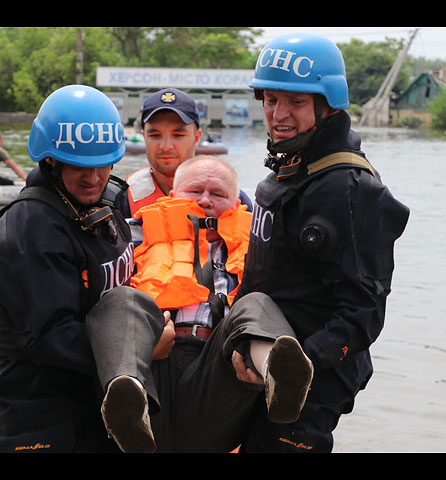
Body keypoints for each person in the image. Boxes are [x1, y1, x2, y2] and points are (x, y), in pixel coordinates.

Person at [229, 33, 410, 453]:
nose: (279, 114)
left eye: (295, 102)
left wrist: (301, 365)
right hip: (266, 358)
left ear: (326, 105)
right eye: (271, 100)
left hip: (316, 375)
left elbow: (364, 310)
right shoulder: (290, 170)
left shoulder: (347, 188)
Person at [85, 155, 314, 453]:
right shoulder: (128, 233)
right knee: (122, 299)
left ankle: (277, 375)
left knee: (256, 303)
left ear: (235, 203)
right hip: (154, 366)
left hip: (219, 372)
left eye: (218, 194)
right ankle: (126, 398)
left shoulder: (260, 247)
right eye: (195, 191)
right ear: (173, 195)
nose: (205, 200)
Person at [0, 85, 135, 453]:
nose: (92, 178)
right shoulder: (32, 227)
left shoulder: (105, 203)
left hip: (94, 402)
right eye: (78, 166)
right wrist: (137, 351)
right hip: (41, 413)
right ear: (50, 161)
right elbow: (51, 338)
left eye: (101, 165)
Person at [119, 87, 252, 218]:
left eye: (178, 135)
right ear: (144, 137)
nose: (166, 146)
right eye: (155, 135)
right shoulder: (122, 199)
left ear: (197, 137)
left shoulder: (231, 197)